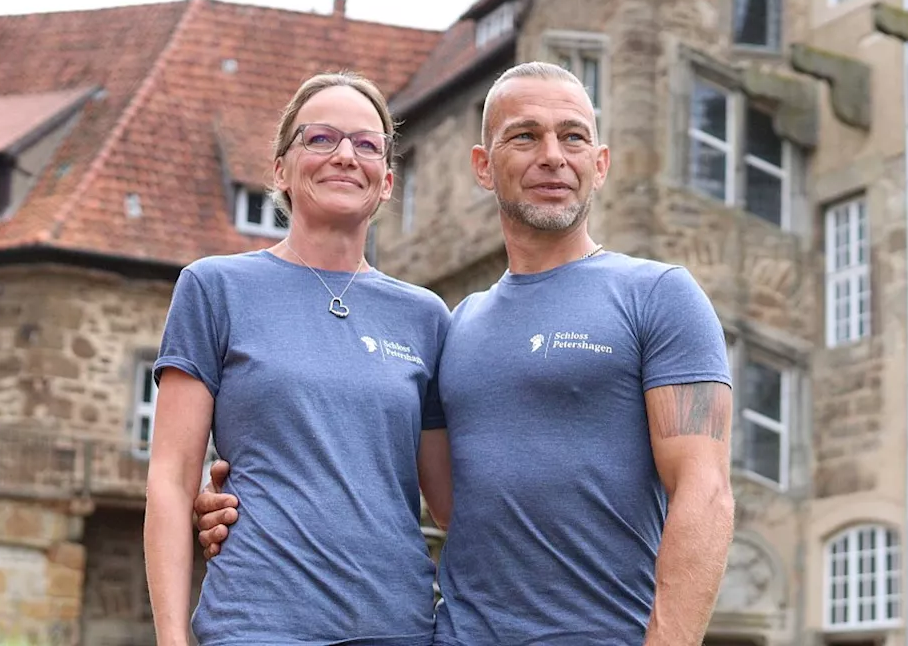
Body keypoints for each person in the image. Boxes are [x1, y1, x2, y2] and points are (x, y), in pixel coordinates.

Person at [193, 62, 736, 645]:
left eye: (573, 135)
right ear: (483, 166)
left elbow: (705, 493)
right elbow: (438, 494)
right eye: (524, 135)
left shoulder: (660, 296)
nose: (552, 155)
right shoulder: (455, 328)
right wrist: (245, 502)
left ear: (599, 164)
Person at [144, 71, 453, 646]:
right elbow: (170, 478)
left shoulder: (427, 317)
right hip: (257, 624)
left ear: (386, 180)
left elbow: (453, 503)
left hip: (397, 626)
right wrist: (171, 637)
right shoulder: (214, 289)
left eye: (366, 144)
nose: (344, 155)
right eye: (320, 138)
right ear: (282, 169)